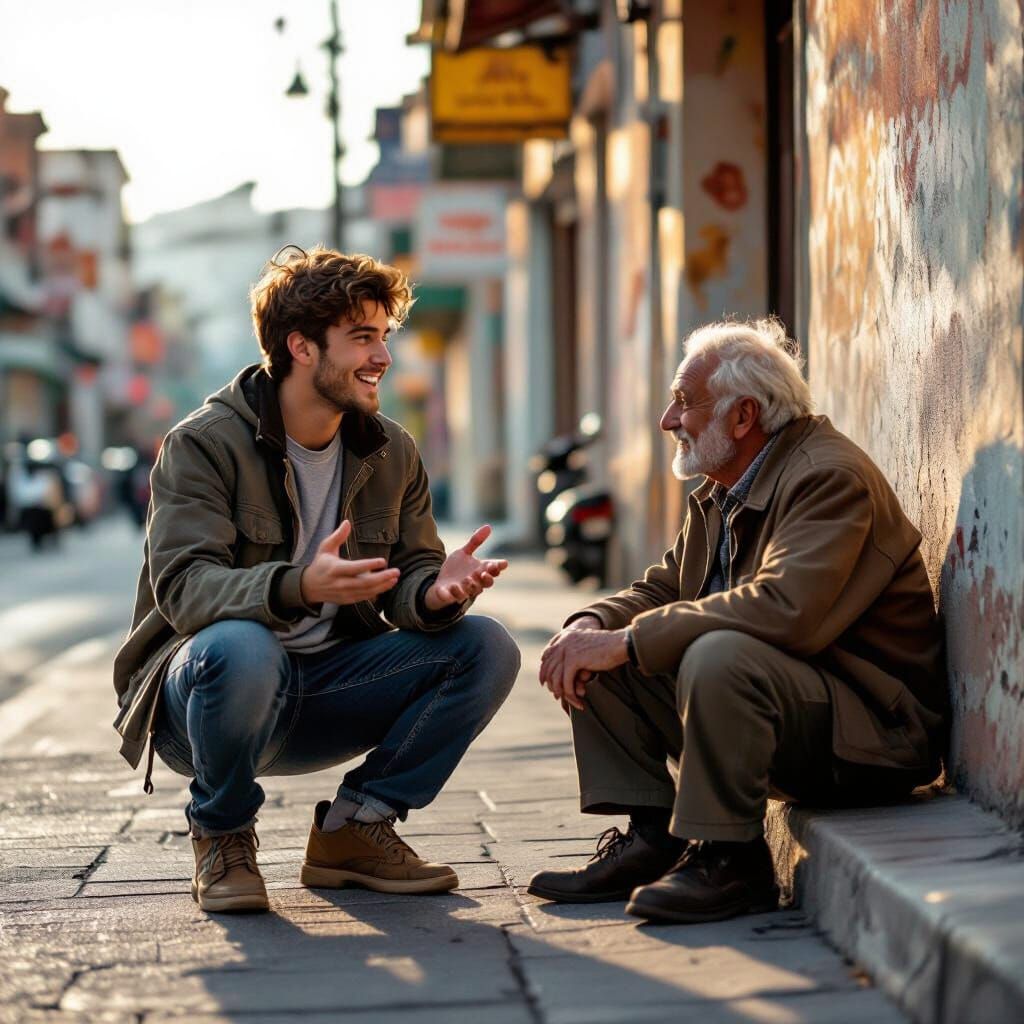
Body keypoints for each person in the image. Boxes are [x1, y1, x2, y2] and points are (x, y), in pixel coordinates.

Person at [113, 245, 521, 914]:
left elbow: (407, 574)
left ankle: (355, 828)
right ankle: (222, 837)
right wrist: (298, 586)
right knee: (242, 645)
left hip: (330, 688)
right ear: (300, 347)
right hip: (210, 701)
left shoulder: (391, 449)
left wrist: (433, 591)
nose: (383, 356)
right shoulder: (204, 443)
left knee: (486, 646)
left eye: (384, 336)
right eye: (362, 337)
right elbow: (185, 591)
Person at [529, 317, 947, 925]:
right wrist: (590, 624)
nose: (668, 421)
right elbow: (665, 586)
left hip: (871, 735)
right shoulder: (727, 485)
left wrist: (627, 640)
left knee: (711, 652)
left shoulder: (826, 477)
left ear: (743, 416)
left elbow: (785, 611)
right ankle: (652, 837)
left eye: (682, 403)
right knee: (604, 649)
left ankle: (730, 861)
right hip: (796, 710)